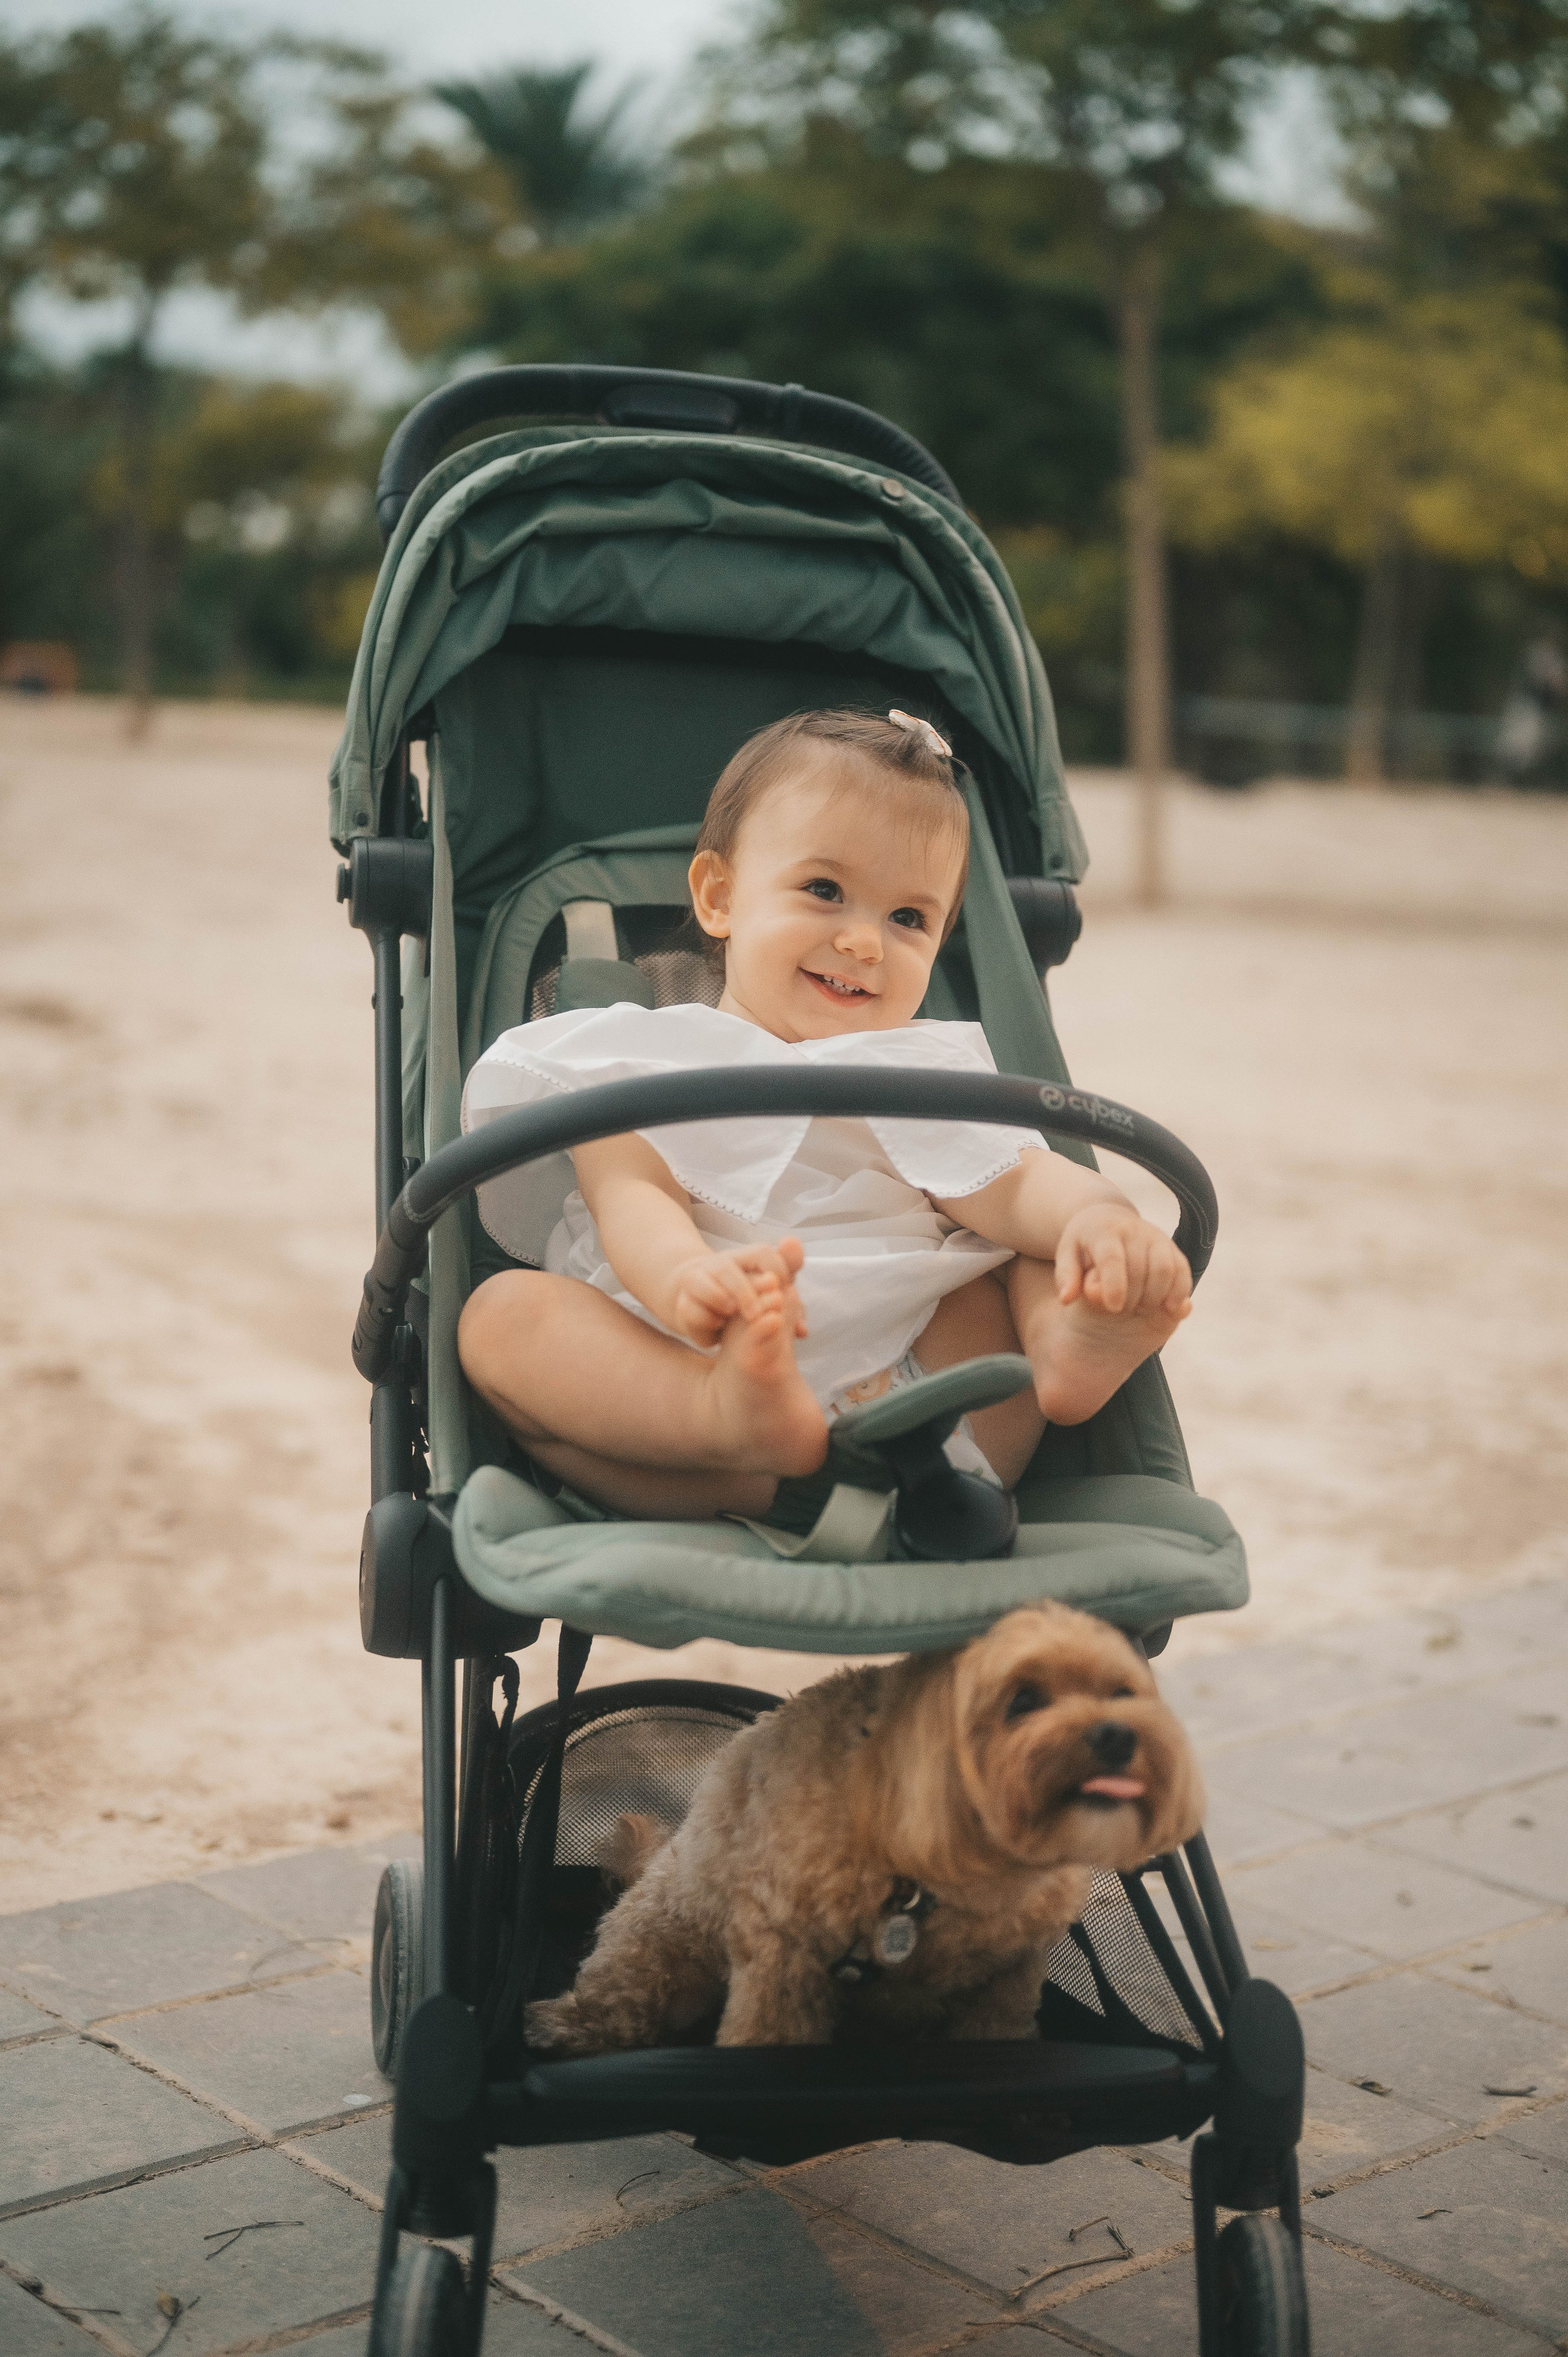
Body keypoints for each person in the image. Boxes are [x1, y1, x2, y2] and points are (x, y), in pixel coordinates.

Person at [458, 708, 1191, 1523]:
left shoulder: (917, 1069)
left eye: (908, 918)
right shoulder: (640, 1055)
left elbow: (1015, 1182)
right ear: (719, 897)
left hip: (920, 1385)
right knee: (500, 1319)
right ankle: (724, 1419)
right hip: (689, 1349)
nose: (866, 943)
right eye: (825, 891)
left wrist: (1099, 1217)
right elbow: (632, 1197)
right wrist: (687, 1279)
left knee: (1031, 1253)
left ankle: (1068, 1345)